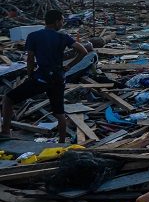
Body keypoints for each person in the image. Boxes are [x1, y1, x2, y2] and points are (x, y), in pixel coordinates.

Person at [1, 10, 87, 143]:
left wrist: (30, 75)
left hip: (41, 78)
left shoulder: (34, 36)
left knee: (8, 99)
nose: (62, 23)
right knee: (59, 113)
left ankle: (6, 132)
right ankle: (62, 142)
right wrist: (69, 66)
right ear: (57, 21)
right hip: (58, 78)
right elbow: (83, 51)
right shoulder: (62, 37)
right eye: (62, 21)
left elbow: (30, 59)